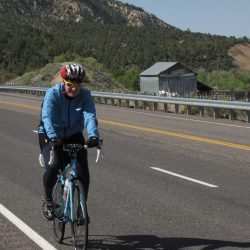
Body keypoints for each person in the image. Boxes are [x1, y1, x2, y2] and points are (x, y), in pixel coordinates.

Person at [38, 63, 100, 220]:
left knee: (83, 170)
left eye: (77, 85)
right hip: (50, 133)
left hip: (73, 134)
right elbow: (47, 117)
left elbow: (90, 116)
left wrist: (93, 135)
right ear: (63, 81)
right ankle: (48, 200)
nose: (74, 89)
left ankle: (81, 207)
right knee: (54, 165)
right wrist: (52, 137)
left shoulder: (85, 95)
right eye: (70, 85)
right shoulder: (52, 94)